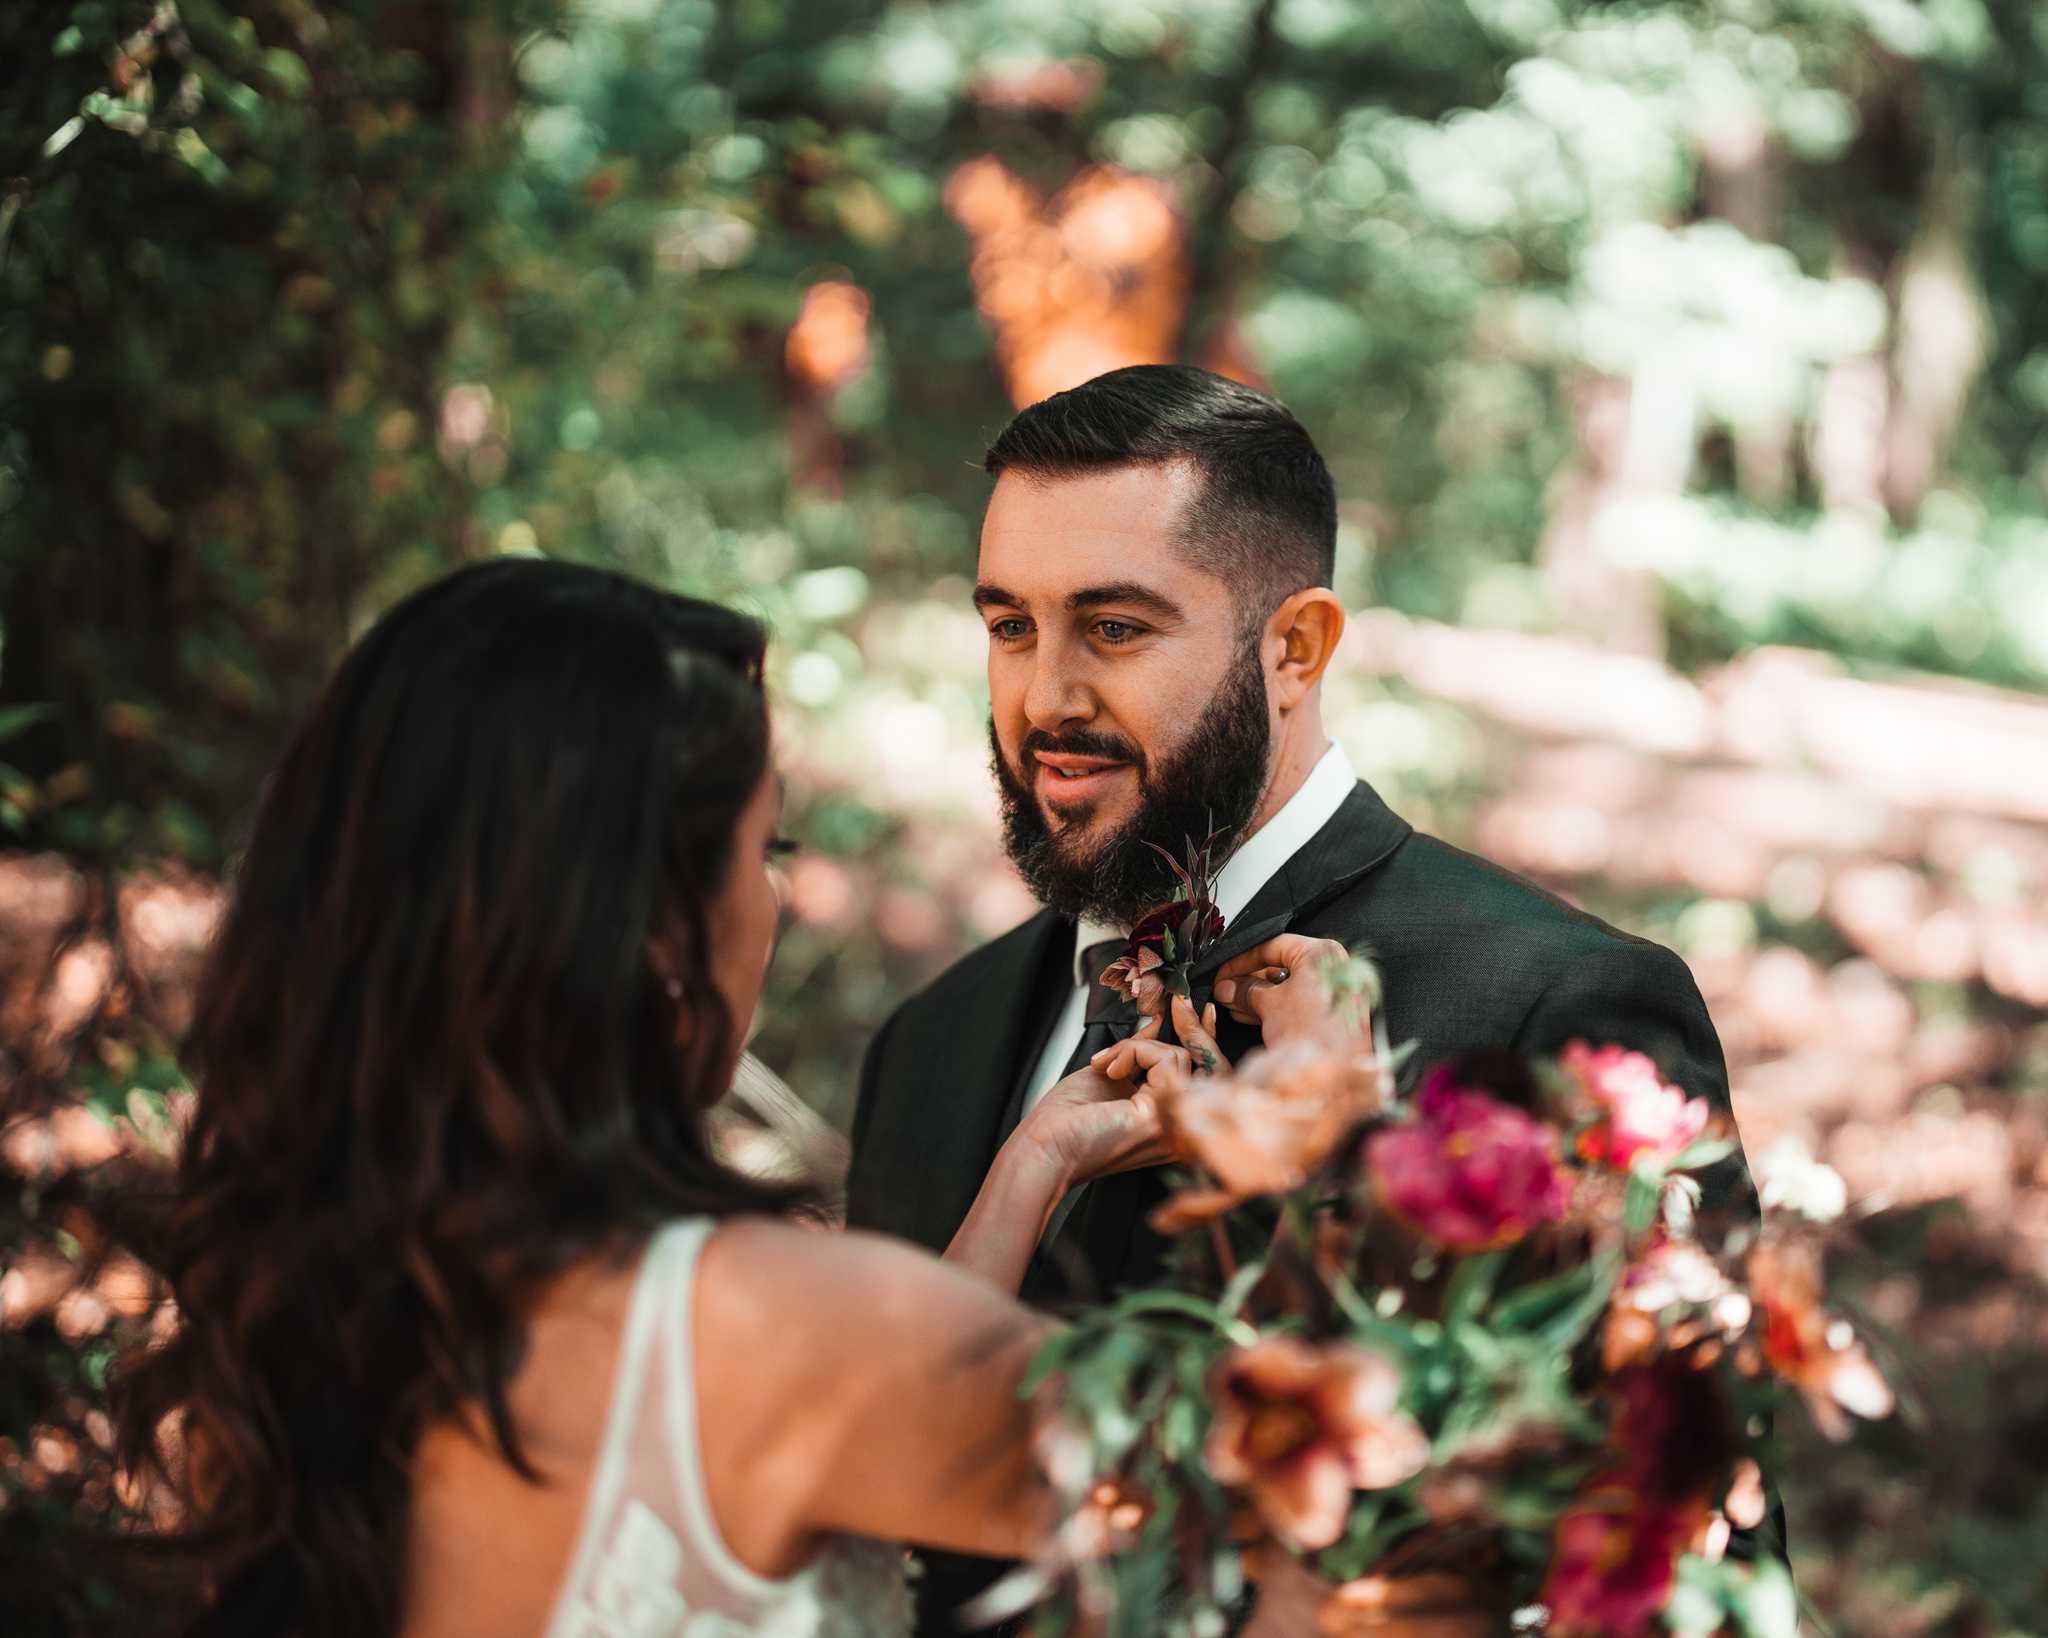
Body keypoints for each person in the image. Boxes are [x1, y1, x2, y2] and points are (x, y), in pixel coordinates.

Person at [843, 364, 1770, 1632]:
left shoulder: (1558, 1007)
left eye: (1112, 628)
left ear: (1296, 646)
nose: (1043, 698)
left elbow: (1679, 1564)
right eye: (1010, 626)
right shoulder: (926, 1048)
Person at [110, 559, 1180, 1638]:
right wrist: (1315, 1113)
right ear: (660, 931)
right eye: (764, 850)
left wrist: (1030, 1164)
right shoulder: (801, 1330)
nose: (775, 903)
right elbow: (1287, 1502)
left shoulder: (288, 1319)